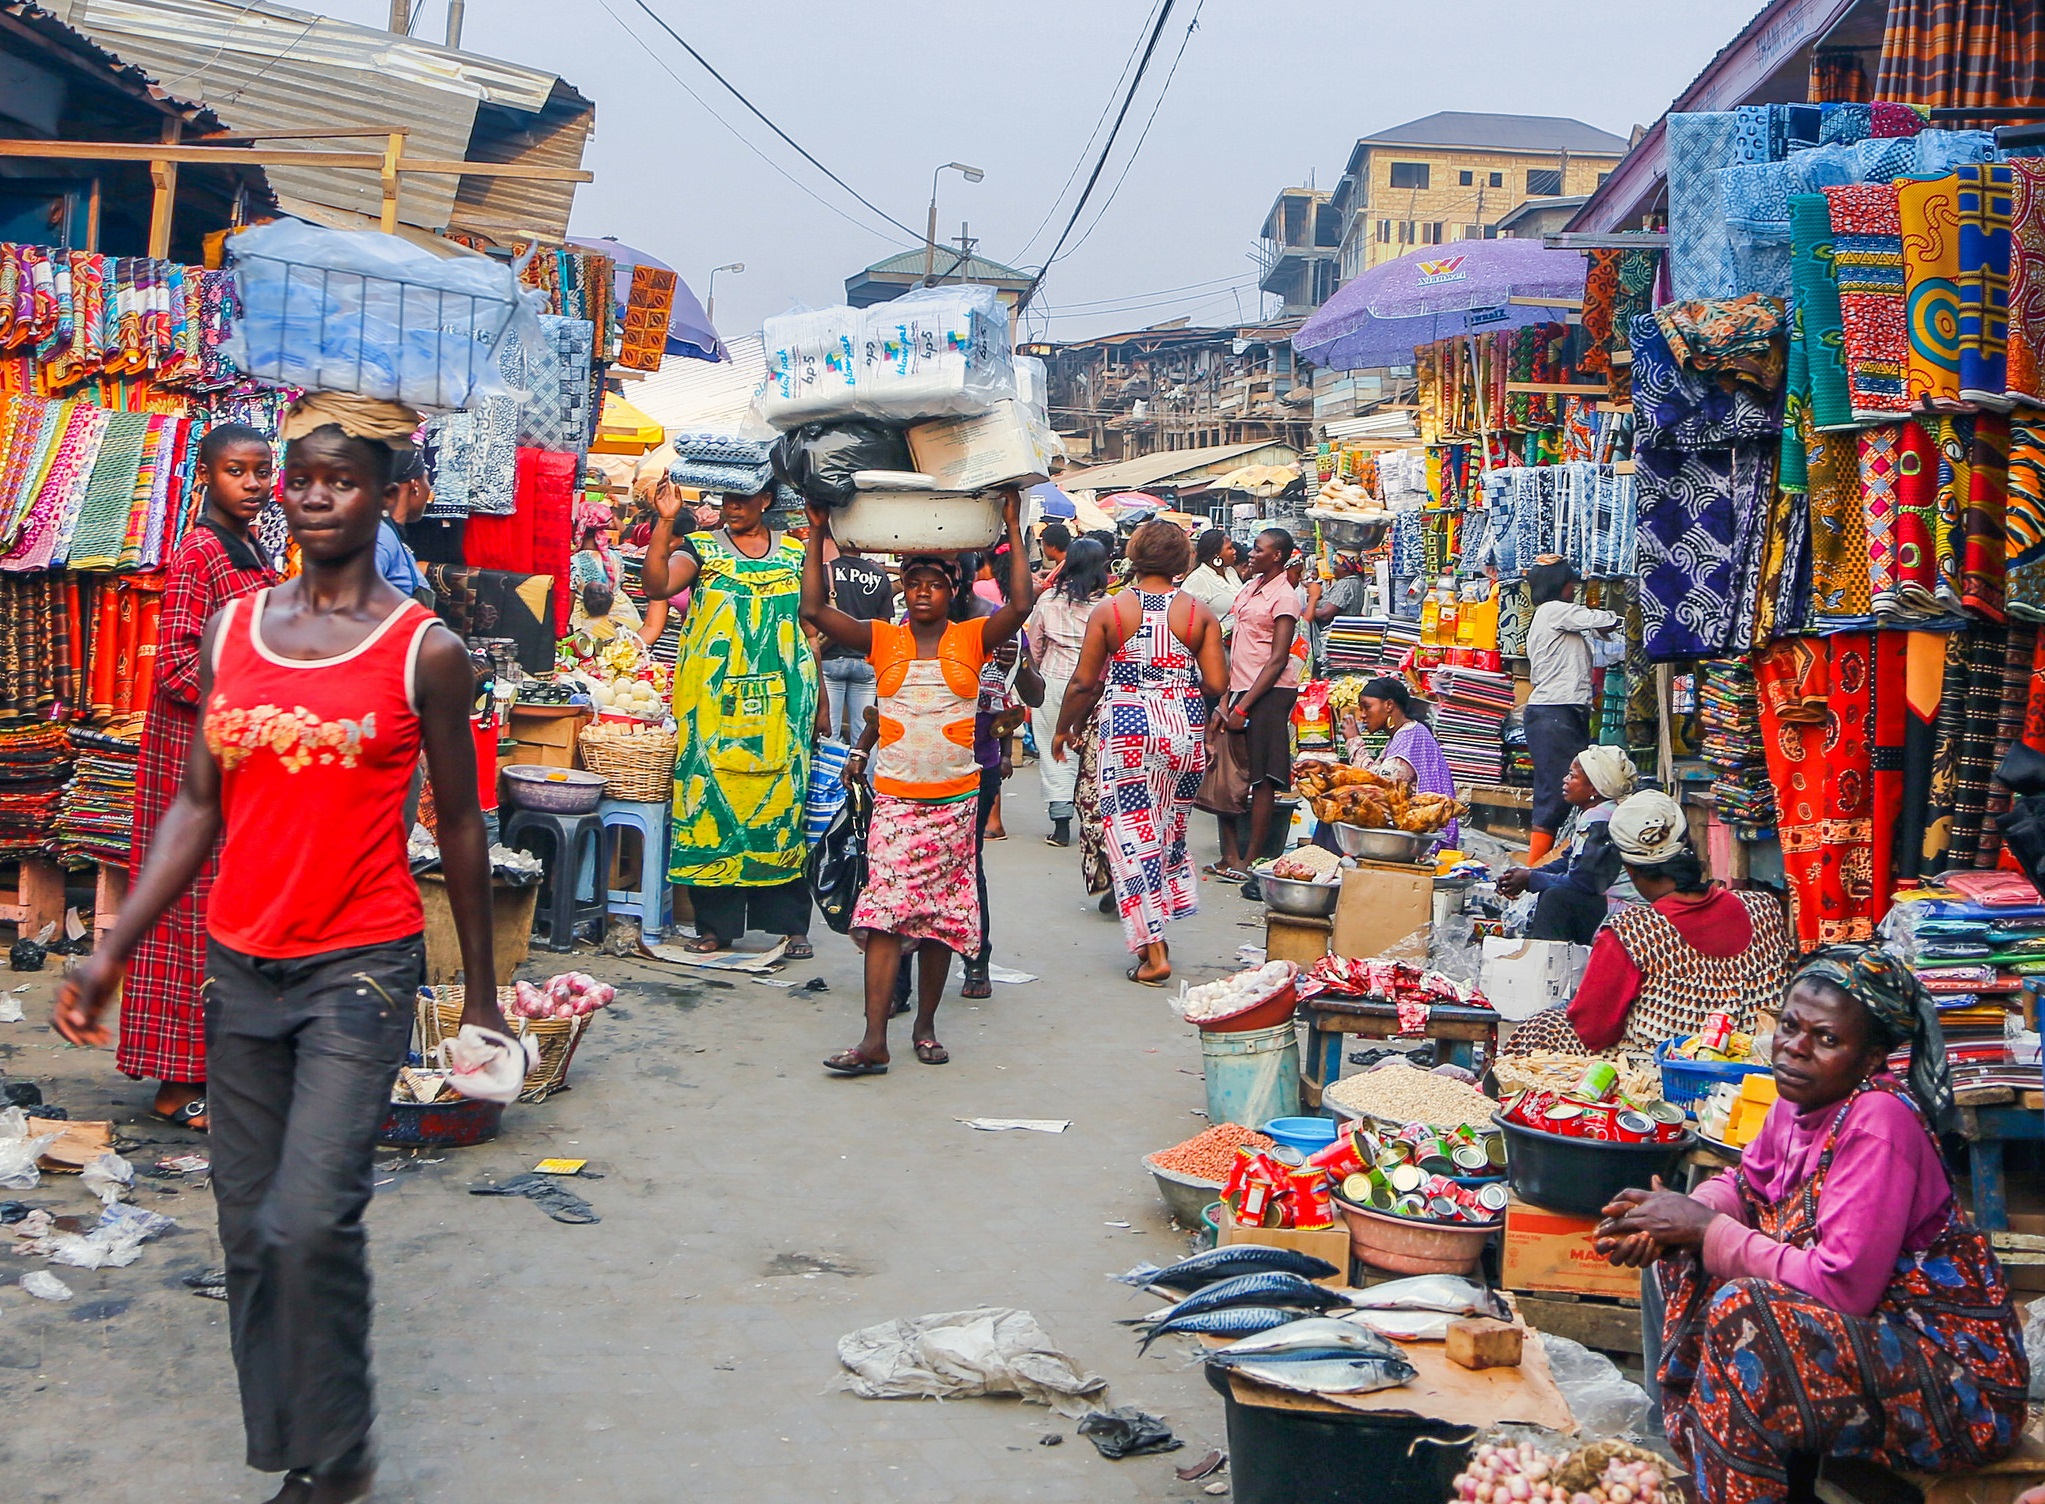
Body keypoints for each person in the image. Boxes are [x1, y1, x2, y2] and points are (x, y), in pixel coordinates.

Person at [56, 394, 505, 1504]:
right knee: (248, 1230)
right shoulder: (233, 628)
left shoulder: (423, 651)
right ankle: (298, 1454)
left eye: (338, 478)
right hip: (237, 966)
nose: (309, 493)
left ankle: (340, 1451)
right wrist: (110, 948)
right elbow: (195, 806)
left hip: (360, 968)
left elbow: (458, 823)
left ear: (383, 493)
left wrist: (484, 999)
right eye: (299, 475)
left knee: (310, 1219)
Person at [1598, 946, 2027, 1504]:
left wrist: (1705, 1227)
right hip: (1869, 1350)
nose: (1795, 1049)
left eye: (1826, 1040)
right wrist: (1672, 1219)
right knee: (1675, 1256)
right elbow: (1745, 1188)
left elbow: (1841, 1287)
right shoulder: (1800, 1100)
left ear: (1872, 1055)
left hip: (1957, 1390)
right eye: (1791, 1027)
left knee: (1746, 1312)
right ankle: (1714, 1467)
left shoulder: (1879, 1123)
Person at [800, 492, 1033, 1073]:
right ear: (901, 589)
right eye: (913, 580)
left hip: (955, 805)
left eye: (934, 581)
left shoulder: (971, 639)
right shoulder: (883, 639)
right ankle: (873, 1039)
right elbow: (814, 610)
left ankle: (925, 1026)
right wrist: (817, 531)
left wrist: (1011, 524)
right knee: (882, 916)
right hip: (897, 805)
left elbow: (1023, 603)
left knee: (938, 921)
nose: (922, 589)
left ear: (953, 590)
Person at [120, 423, 281, 1133]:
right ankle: (178, 1083)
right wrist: (254, 700)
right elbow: (178, 667)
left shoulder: (250, 546)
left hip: (230, 765)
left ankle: (219, 1069)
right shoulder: (199, 552)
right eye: (236, 472)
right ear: (206, 475)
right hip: (193, 764)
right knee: (191, 918)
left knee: (226, 910)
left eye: (260, 471)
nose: (252, 484)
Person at [642, 483, 822, 960]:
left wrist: (821, 700)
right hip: (712, 705)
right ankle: (715, 926)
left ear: (766, 501)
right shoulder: (701, 551)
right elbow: (657, 586)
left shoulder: (794, 553)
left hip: (784, 703)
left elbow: (810, 625)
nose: (733, 508)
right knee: (712, 809)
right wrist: (665, 521)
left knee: (781, 807)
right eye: (727, 501)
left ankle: (789, 923)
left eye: (744, 499)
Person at [1054, 520, 1227, 986]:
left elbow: (1085, 681)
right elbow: (1216, 684)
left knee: (1130, 839)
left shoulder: (1112, 610)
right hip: (1184, 732)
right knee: (1167, 832)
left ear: (1133, 555)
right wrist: (1176, 686)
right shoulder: (1199, 614)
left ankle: (1153, 952)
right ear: (1182, 560)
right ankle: (1160, 934)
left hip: (1129, 728)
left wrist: (1063, 728)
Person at [1508, 792, 1793, 1056]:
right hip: (1751, 1058)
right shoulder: (1763, 907)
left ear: (1629, 869)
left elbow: (1592, 1032)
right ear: (1688, 848)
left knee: (1539, 1029)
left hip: (1655, 1065)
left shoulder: (1630, 933)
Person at [1211, 527, 1302, 885]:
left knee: (1261, 778)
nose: (1252, 553)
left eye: (1260, 550)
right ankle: (1229, 855)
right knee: (1226, 773)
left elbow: (1278, 658)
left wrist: (1244, 707)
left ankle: (1250, 859)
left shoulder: (1286, 597)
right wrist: (1225, 699)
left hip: (1269, 692)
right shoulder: (1249, 588)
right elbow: (1234, 643)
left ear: (1277, 555)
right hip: (1238, 687)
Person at [1524, 559, 1620, 863]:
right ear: (1559, 586)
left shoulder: (1551, 618)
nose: (1574, 589)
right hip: (1555, 712)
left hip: (1558, 712)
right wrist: (1622, 618)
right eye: (1570, 584)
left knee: (1562, 788)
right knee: (1560, 791)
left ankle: (1550, 861)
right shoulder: (1554, 611)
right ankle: (1537, 868)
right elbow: (1596, 618)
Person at [1495, 744, 1639, 944]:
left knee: (1557, 900)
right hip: (1609, 904)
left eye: (1572, 776)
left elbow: (1585, 882)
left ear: (1594, 789)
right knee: (1551, 890)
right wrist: (1527, 875)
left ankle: (1551, 966)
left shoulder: (1601, 820)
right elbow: (1567, 861)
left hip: (1626, 915)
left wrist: (1531, 879)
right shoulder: (1595, 813)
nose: (1565, 780)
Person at [1025, 537, 1107, 848]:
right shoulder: (1106, 607)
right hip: (1094, 687)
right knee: (1090, 754)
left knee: (1052, 750)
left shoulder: (1048, 601)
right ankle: (1093, 822)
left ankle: (1061, 824)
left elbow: (1033, 648)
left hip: (1052, 683)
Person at [1347, 676, 1457, 849]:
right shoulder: (1403, 734)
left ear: (1389, 705)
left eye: (1367, 707)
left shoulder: (1410, 737)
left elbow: (1379, 786)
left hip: (1422, 840)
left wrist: (1353, 742)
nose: (1362, 715)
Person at [818, 535, 894, 742]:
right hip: (866, 660)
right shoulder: (879, 575)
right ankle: (865, 773)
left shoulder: (824, 572)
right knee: (865, 731)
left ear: (836, 541)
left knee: (828, 730)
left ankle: (830, 773)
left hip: (830, 659)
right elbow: (883, 625)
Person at [373, 449, 433, 606]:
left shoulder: (387, 533)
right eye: (427, 479)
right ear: (415, 484)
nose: (430, 490)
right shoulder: (380, 537)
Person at [568, 499, 639, 631]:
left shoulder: (573, 562)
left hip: (590, 630)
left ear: (578, 527)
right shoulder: (616, 557)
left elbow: (568, 605)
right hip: (625, 622)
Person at [1309, 550, 1368, 673]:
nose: (1333, 568)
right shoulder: (1355, 582)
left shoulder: (1346, 584)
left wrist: (1305, 610)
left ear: (1346, 568)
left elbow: (1326, 614)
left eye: (1337, 564)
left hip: (1334, 641)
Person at [1180, 530, 1242, 636]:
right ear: (1216, 554)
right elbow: (1189, 620)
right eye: (1229, 548)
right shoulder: (1198, 579)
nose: (1234, 551)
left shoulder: (1230, 572)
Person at [1035, 520, 1071, 588]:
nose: (1044, 550)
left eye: (1044, 546)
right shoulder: (1066, 563)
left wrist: (1037, 580)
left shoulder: (1065, 569)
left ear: (1053, 547)